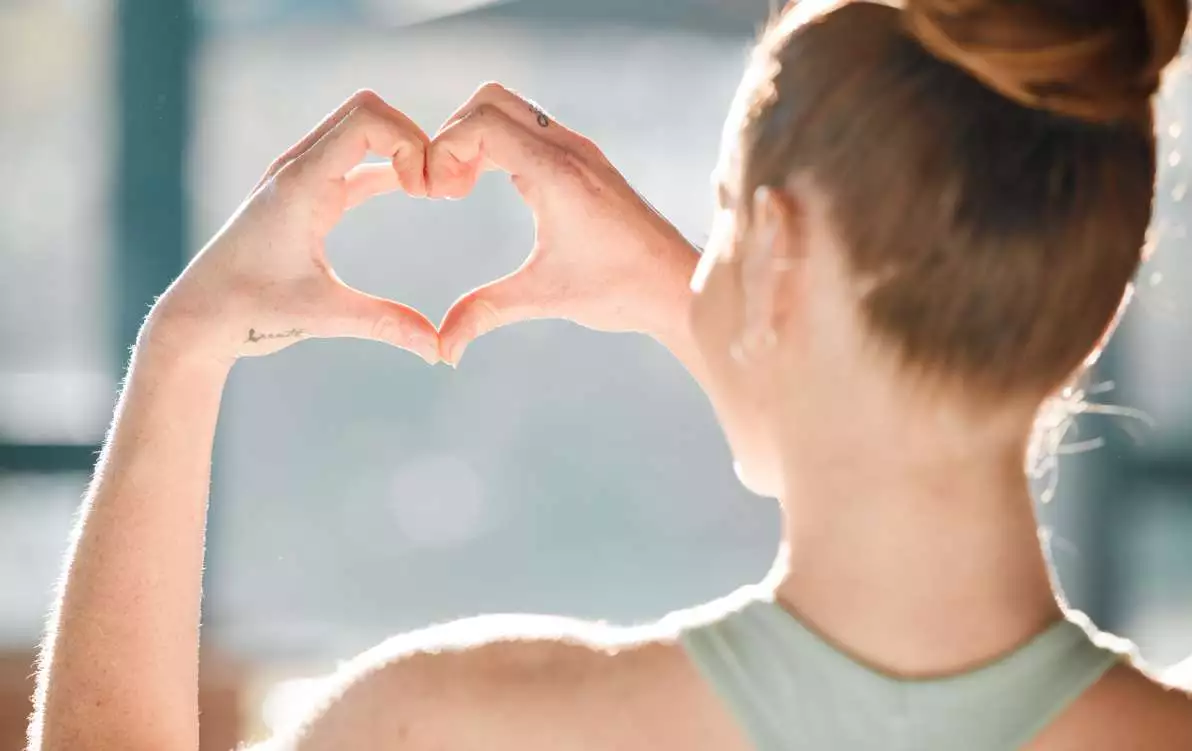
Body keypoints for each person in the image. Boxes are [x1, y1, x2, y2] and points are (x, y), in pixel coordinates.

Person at [27, 0, 1192, 749]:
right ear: (1087, 289)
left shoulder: (448, 728)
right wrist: (711, 296)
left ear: (777, 243)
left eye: (722, 224)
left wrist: (182, 341)